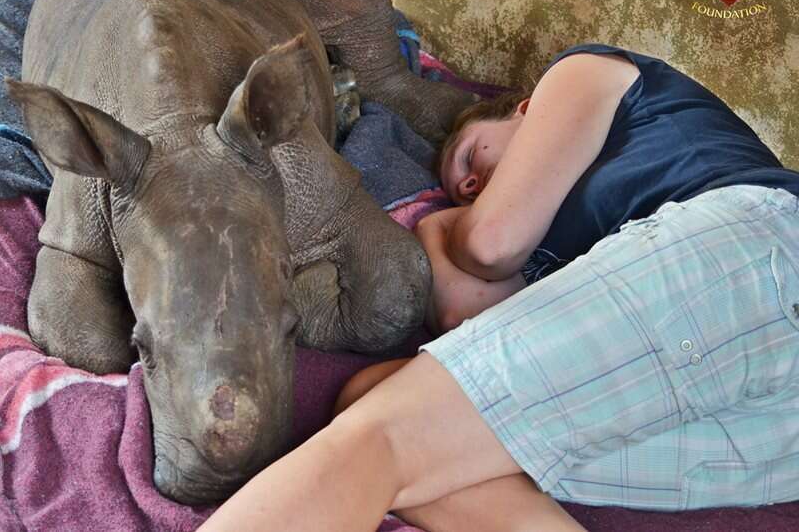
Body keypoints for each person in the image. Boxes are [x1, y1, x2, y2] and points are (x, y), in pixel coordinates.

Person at [197, 43, 799, 532]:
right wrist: (438, 229)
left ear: (521, 110)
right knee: (372, 397)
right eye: (465, 190)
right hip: (772, 407)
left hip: (755, 245)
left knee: (384, 440)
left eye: (469, 157)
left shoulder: (585, 73)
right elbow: (472, 332)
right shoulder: (572, 259)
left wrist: (449, 229)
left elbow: (491, 246)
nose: (473, 185)